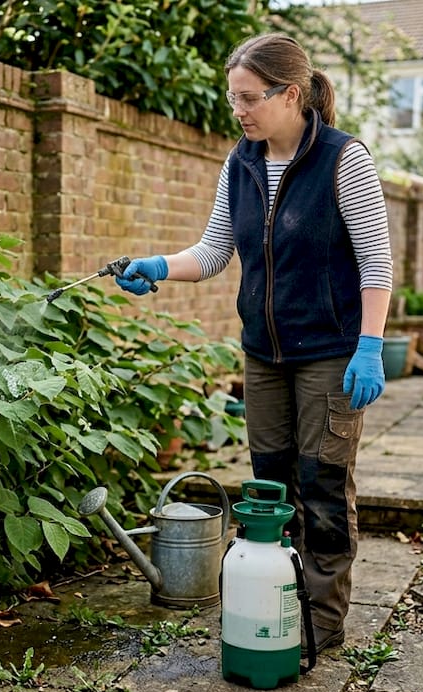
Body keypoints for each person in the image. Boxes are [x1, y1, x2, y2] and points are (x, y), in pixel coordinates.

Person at [114, 33, 393, 652]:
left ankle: (321, 624)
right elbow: (215, 250)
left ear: (289, 94)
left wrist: (369, 345)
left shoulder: (345, 159)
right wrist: (158, 265)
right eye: (232, 99)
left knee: (322, 484)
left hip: (331, 351)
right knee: (270, 486)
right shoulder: (240, 161)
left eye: (247, 99)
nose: (238, 112)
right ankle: (274, 600)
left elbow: (376, 261)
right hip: (264, 354)